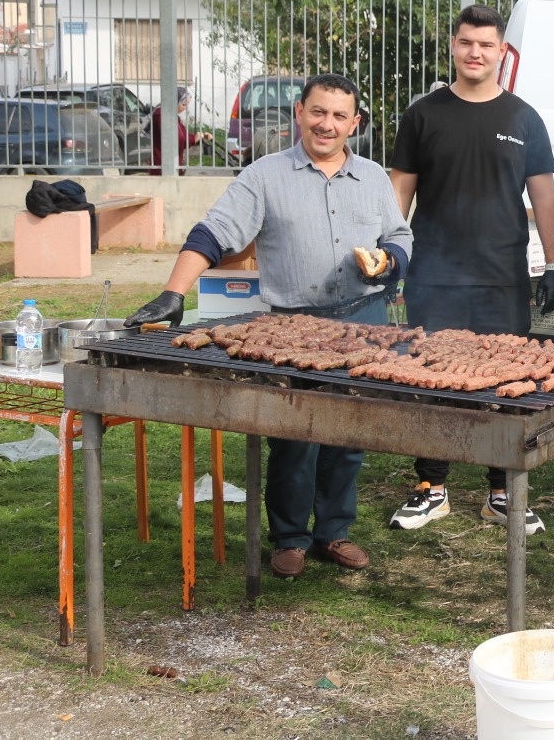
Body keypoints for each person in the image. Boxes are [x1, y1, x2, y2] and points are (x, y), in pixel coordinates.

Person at [124, 73, 412, 579]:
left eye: (339, 116)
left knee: (348, 437)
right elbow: (212, 233)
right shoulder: (263, 176)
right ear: (299, 112)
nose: (327, 124)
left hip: (366, 323)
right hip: (292, 328)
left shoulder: (373, 179)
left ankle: (334, 533)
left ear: (355, 123)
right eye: (318, 112)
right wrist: (174, 293)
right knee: (294, 437)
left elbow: (401, 236)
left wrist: (388, 260)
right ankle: (290, 537)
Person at [385, 4, 554, 536]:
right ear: (453, 45)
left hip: (501, 274)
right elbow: (400, 188)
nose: (475, 53)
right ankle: (432, 487)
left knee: (506, 381)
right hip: (433, 273)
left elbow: (545, 196)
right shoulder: (424, 114)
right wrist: (391, 257)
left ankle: (501, 491)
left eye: (487, 45)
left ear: (501, 51)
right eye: (467, 42)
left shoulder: (522, 117)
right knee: (432, 378)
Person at [150, 86, 213, 171]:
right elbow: (177, 139)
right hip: (163, 165)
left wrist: (198, 137)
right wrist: (194, 139)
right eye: (183, 104)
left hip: (170, 163)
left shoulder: (172, 117)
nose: (185, 108)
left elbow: (184, 134)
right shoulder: (162, 116)